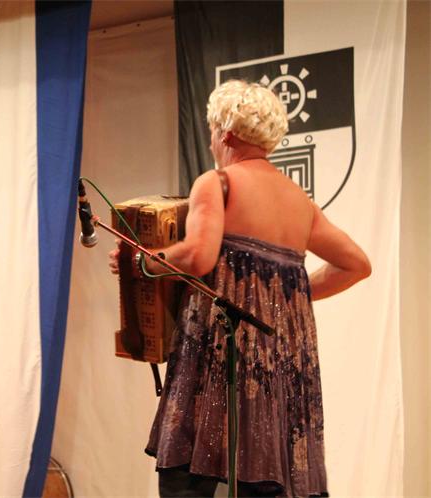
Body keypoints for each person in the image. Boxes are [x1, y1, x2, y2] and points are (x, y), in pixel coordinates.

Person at [109, 80, 371, 497]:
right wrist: (285, 300)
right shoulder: (300, 202)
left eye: (213, 131)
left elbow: (198, 256)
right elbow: (356, 265)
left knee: (190, 478)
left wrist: (141, 262)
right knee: (264, 477)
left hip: (220, 357)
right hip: (279, 362)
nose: (212, 141)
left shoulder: (217, 183)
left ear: (226, 134)